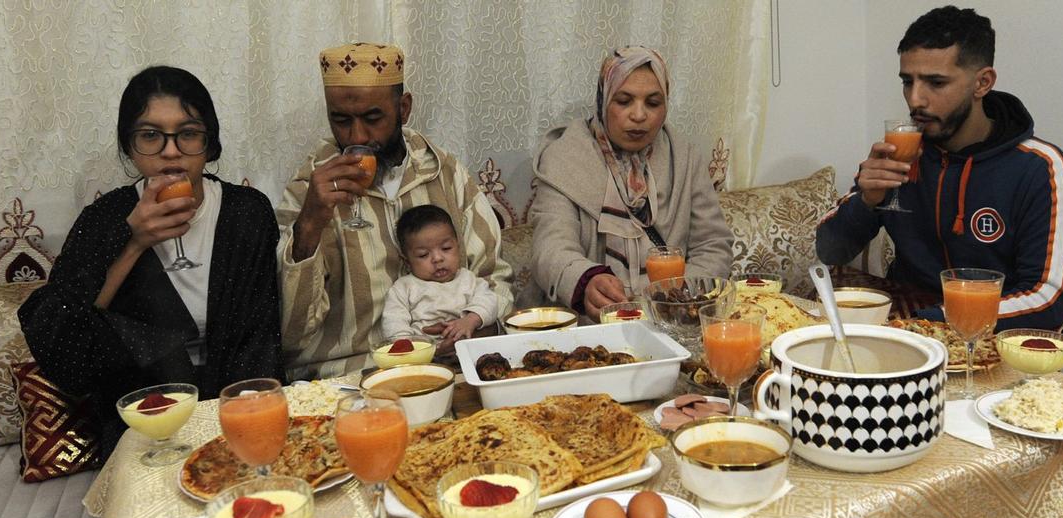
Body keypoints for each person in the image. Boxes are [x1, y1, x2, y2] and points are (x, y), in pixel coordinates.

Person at [19, 66, 282, 447]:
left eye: (188, 134)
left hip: (240, 406)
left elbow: (261, 336)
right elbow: (66, 351)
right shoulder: (105, 218)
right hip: (144, 418)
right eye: (150, 136)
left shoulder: (247, 212)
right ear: (129, 147)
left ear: (211, 144)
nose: (171, 152)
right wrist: (133, 242)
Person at [816, 6, 1063, 330]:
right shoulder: (901, 153)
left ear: (982, 83)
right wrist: (867, 202)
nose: (915, 100)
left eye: (936, 83)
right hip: (905, 330)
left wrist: (930, 323)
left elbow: (1048, 300)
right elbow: (830, 250)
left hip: (988, 341)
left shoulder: (1040, 168)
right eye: (907, 82)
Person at [277, 42, 513, 379]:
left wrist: (473, 326)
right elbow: (291, 335)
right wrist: (311, 223)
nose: (357, 136)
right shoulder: (309, 190)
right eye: (341, 120)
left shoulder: (444, 173)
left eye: (373, 118)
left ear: (404, 108)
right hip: (351, 374)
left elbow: (495, 281)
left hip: (453, 363)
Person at [528, 45, 734, 320]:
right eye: (624, 101)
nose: (639, 115)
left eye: (653, 103)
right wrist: (585, 281)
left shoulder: (683, 158)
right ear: (604, 100)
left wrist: (679, 297)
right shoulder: (564, 158)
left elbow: (713, 243)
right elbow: (550, 247)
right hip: (588, 324)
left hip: (672, 319)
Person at [381, 204, 500, 347]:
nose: (437, 258)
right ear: (407, 261)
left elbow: (489, 302)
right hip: (423, 353)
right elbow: (393, 320)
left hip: (468, 345)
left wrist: (471, 320)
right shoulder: (404, 287)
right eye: (423, 255)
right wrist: (406, 345)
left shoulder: (468, 279)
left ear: (458, 247)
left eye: (446, 248)